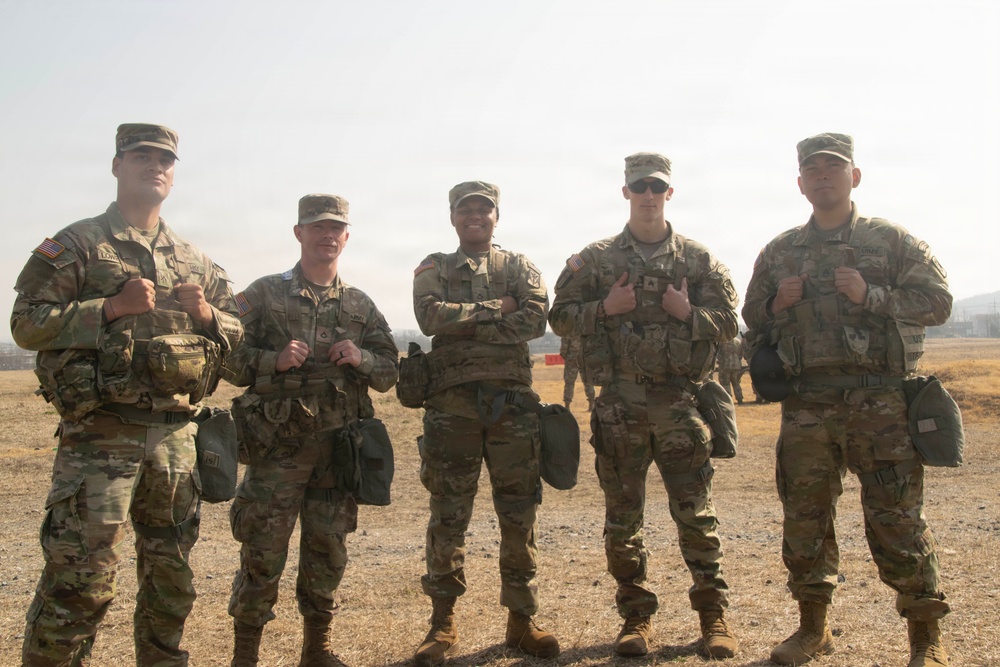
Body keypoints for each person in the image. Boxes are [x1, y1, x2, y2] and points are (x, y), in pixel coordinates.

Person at [11, 123, 243, 666]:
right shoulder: (76, 245)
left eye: (165, 159)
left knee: (172, 582)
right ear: (117, 165)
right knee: (79, 583)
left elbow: (238, 333)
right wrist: (110, 309)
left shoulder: (195, 261)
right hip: (100, 438)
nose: (154, 166)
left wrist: (208, 315)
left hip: (175, 441)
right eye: (141, 155)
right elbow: (25, 324)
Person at [742, 133, 953, 667]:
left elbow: (939, 302)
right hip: (808, 406)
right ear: (800, 184)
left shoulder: (891, 241)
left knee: (897, 518)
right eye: (811, 169)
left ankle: (925, 637)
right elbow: (751, 316)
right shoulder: (780, 250)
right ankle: (813, 629)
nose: (822, 176)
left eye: (832, 167)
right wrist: (775, 301)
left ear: (853, 176)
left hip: (879, 403)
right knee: (805, 518)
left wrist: (872, 296)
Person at [549, 152, 739, 659]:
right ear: (626, 192)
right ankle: (635, 618)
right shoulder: (597, 260)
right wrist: (603, 308)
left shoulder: (697, 260)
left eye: (657, 187)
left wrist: (690, 313)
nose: (649, 195)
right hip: (620, 407)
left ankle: (713, 618)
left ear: (670, 193)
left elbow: (730, 321)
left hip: (680, 402)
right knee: (623, 518)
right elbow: (558, 316)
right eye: (640, 187)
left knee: (696, 514)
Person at [223, 194, 399, 667]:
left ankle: (316, 650)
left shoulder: (360, 304)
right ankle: (246, 656)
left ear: (346, 236)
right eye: (316, 226)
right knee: (263, 551)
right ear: (298, 232)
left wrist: (362, 359)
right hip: (276, 451)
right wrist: (271, 361)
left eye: (335, 227)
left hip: (337, 453)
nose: (327, 235)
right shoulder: (262, 295)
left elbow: (390, 371)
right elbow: (225, 357)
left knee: (327, 553)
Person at [410, 181, 559, 665]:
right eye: (465, 209)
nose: (475, 216)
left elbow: (536, 320)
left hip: (512, 406)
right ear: (452, 217)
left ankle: (521, 620)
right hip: (451, 407)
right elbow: (431, 317)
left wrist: (468, 319)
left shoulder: (519, 266)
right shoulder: (433, 266)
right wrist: (499, 309)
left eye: (483, 209)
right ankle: (442, 623)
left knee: (519, 513)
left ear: (497, 216)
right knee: (449, 514)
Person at [560, 333, 596, 410]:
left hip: (571, 359)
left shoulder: (568, 330)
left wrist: (566, 356)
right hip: (584, 359)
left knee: (569, 382)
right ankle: (591, 403)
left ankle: (567, 405)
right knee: (588, 381)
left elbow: (564, 348)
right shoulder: (585, 329)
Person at [715, 336, 745, 405]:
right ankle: (740, 399)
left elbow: (718, 354)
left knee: (725, 383)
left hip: (725, 365)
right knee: (736, 383)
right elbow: (740, 354)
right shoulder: (737, 341)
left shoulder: (722, 341)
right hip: (736, 366)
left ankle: (728, 400)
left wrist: (720, 361)